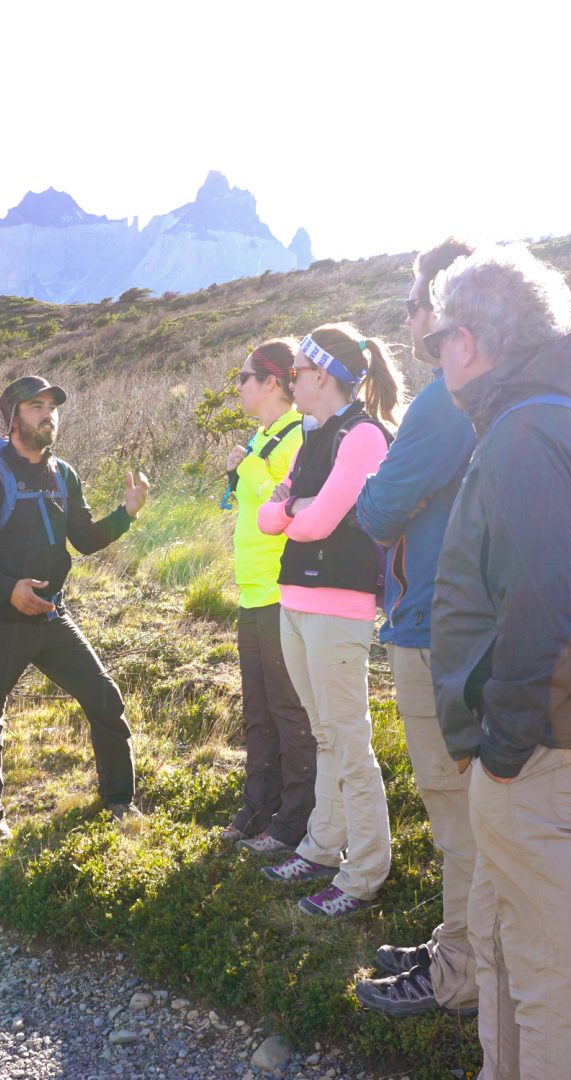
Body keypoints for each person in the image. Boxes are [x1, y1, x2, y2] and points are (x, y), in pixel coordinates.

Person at [428, 246, 571, 1078]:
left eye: (439, 336)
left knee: (552, 972)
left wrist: (507, 744)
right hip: (561, 730)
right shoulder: (552, 417)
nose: (436, 353)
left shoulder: (527, 433)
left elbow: (538, 606)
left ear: (477, 337)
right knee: (508, 945)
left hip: (543, 744)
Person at [352, 239, 479, 1017]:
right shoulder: (478, 393)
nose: (405, 316)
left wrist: (383, 485)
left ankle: (461, 971)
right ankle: (458, 940)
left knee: (452, 803)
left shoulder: (441, 399)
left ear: (439, 310)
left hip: (432, 622)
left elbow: (376, 507)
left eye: (412, 302)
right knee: (463, 803)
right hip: (450, 617)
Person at [0, 375, 151, 850]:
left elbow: (81, 540)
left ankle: (119, 801)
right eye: (36, 405)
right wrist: (8, 590)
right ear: (13, 416)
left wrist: (127, 513)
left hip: (50, 617)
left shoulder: (64, 473)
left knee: (104, 697)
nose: (48, 414)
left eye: (53, 407)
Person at [256, 322, 402, 918]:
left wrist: (294, 510)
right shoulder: (313, 435)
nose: (292, 381)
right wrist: (296, 506)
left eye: (299, 372)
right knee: (324, 735)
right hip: (296, 600)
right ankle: (321, 846)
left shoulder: (363, 437)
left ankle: (364, 871)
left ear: (323, 375)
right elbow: (274, 518)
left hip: (338, 608)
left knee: (349, 740)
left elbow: (315, 523)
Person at [217, 338, 315, 856]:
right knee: (258, 709)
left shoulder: (298, 435)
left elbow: (284, 504)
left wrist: (248, 467)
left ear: (271, 382)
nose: (238, 386)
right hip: (252, 594)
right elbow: (254, 499)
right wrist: (245, 466)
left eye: (244, 377)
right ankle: (258, 807)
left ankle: (295, 822)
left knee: (288, 709)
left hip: (282, 592)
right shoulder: (261, 436)